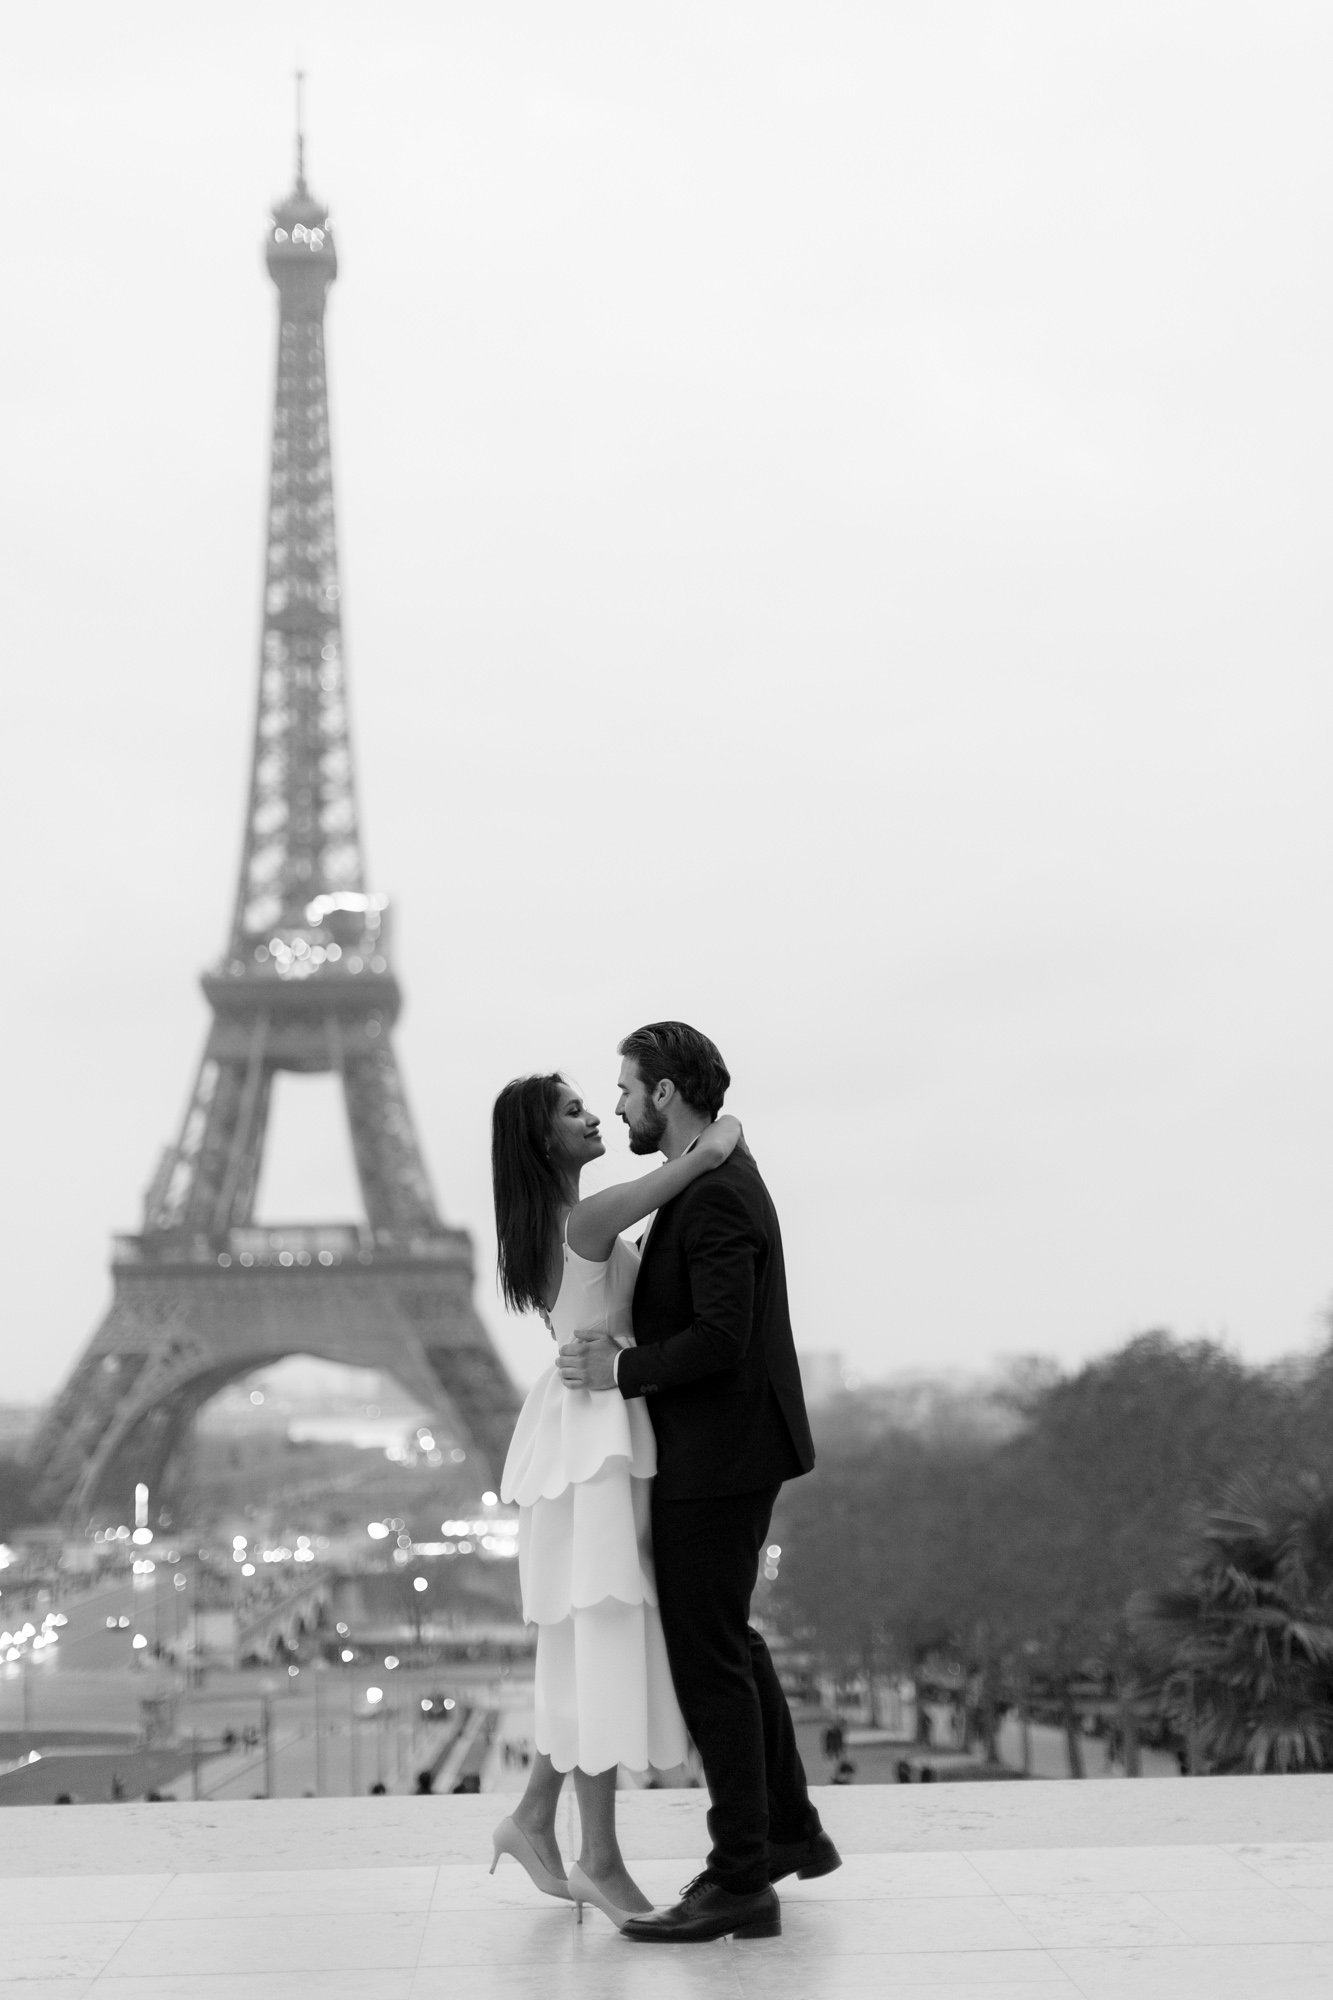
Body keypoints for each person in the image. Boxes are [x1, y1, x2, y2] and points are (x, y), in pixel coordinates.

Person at [558, 1021, 840, 1944]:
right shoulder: (708, 1180)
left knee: (708, 1661)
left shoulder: (714, 1195)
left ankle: (739, 1879)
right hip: (727, 1449)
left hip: (719, 1457)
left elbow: (721, 1337)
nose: (617, 1106)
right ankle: (786, 1833)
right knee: (732, 1647)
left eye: (626, 1089)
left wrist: (618, 1372)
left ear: (666, 1092)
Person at [488, 1071, 742, 1929]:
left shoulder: (550, 1225)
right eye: (573, 1110)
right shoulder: (584, 1220)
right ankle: (596, 1858)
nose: (595, 1114)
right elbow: (692, 1164)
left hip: (589, 1422)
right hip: (597, 1434)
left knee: (586, 1633)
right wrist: (714, 1133)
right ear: (541, 1139)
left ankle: (535, 1818)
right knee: (598, 1634)